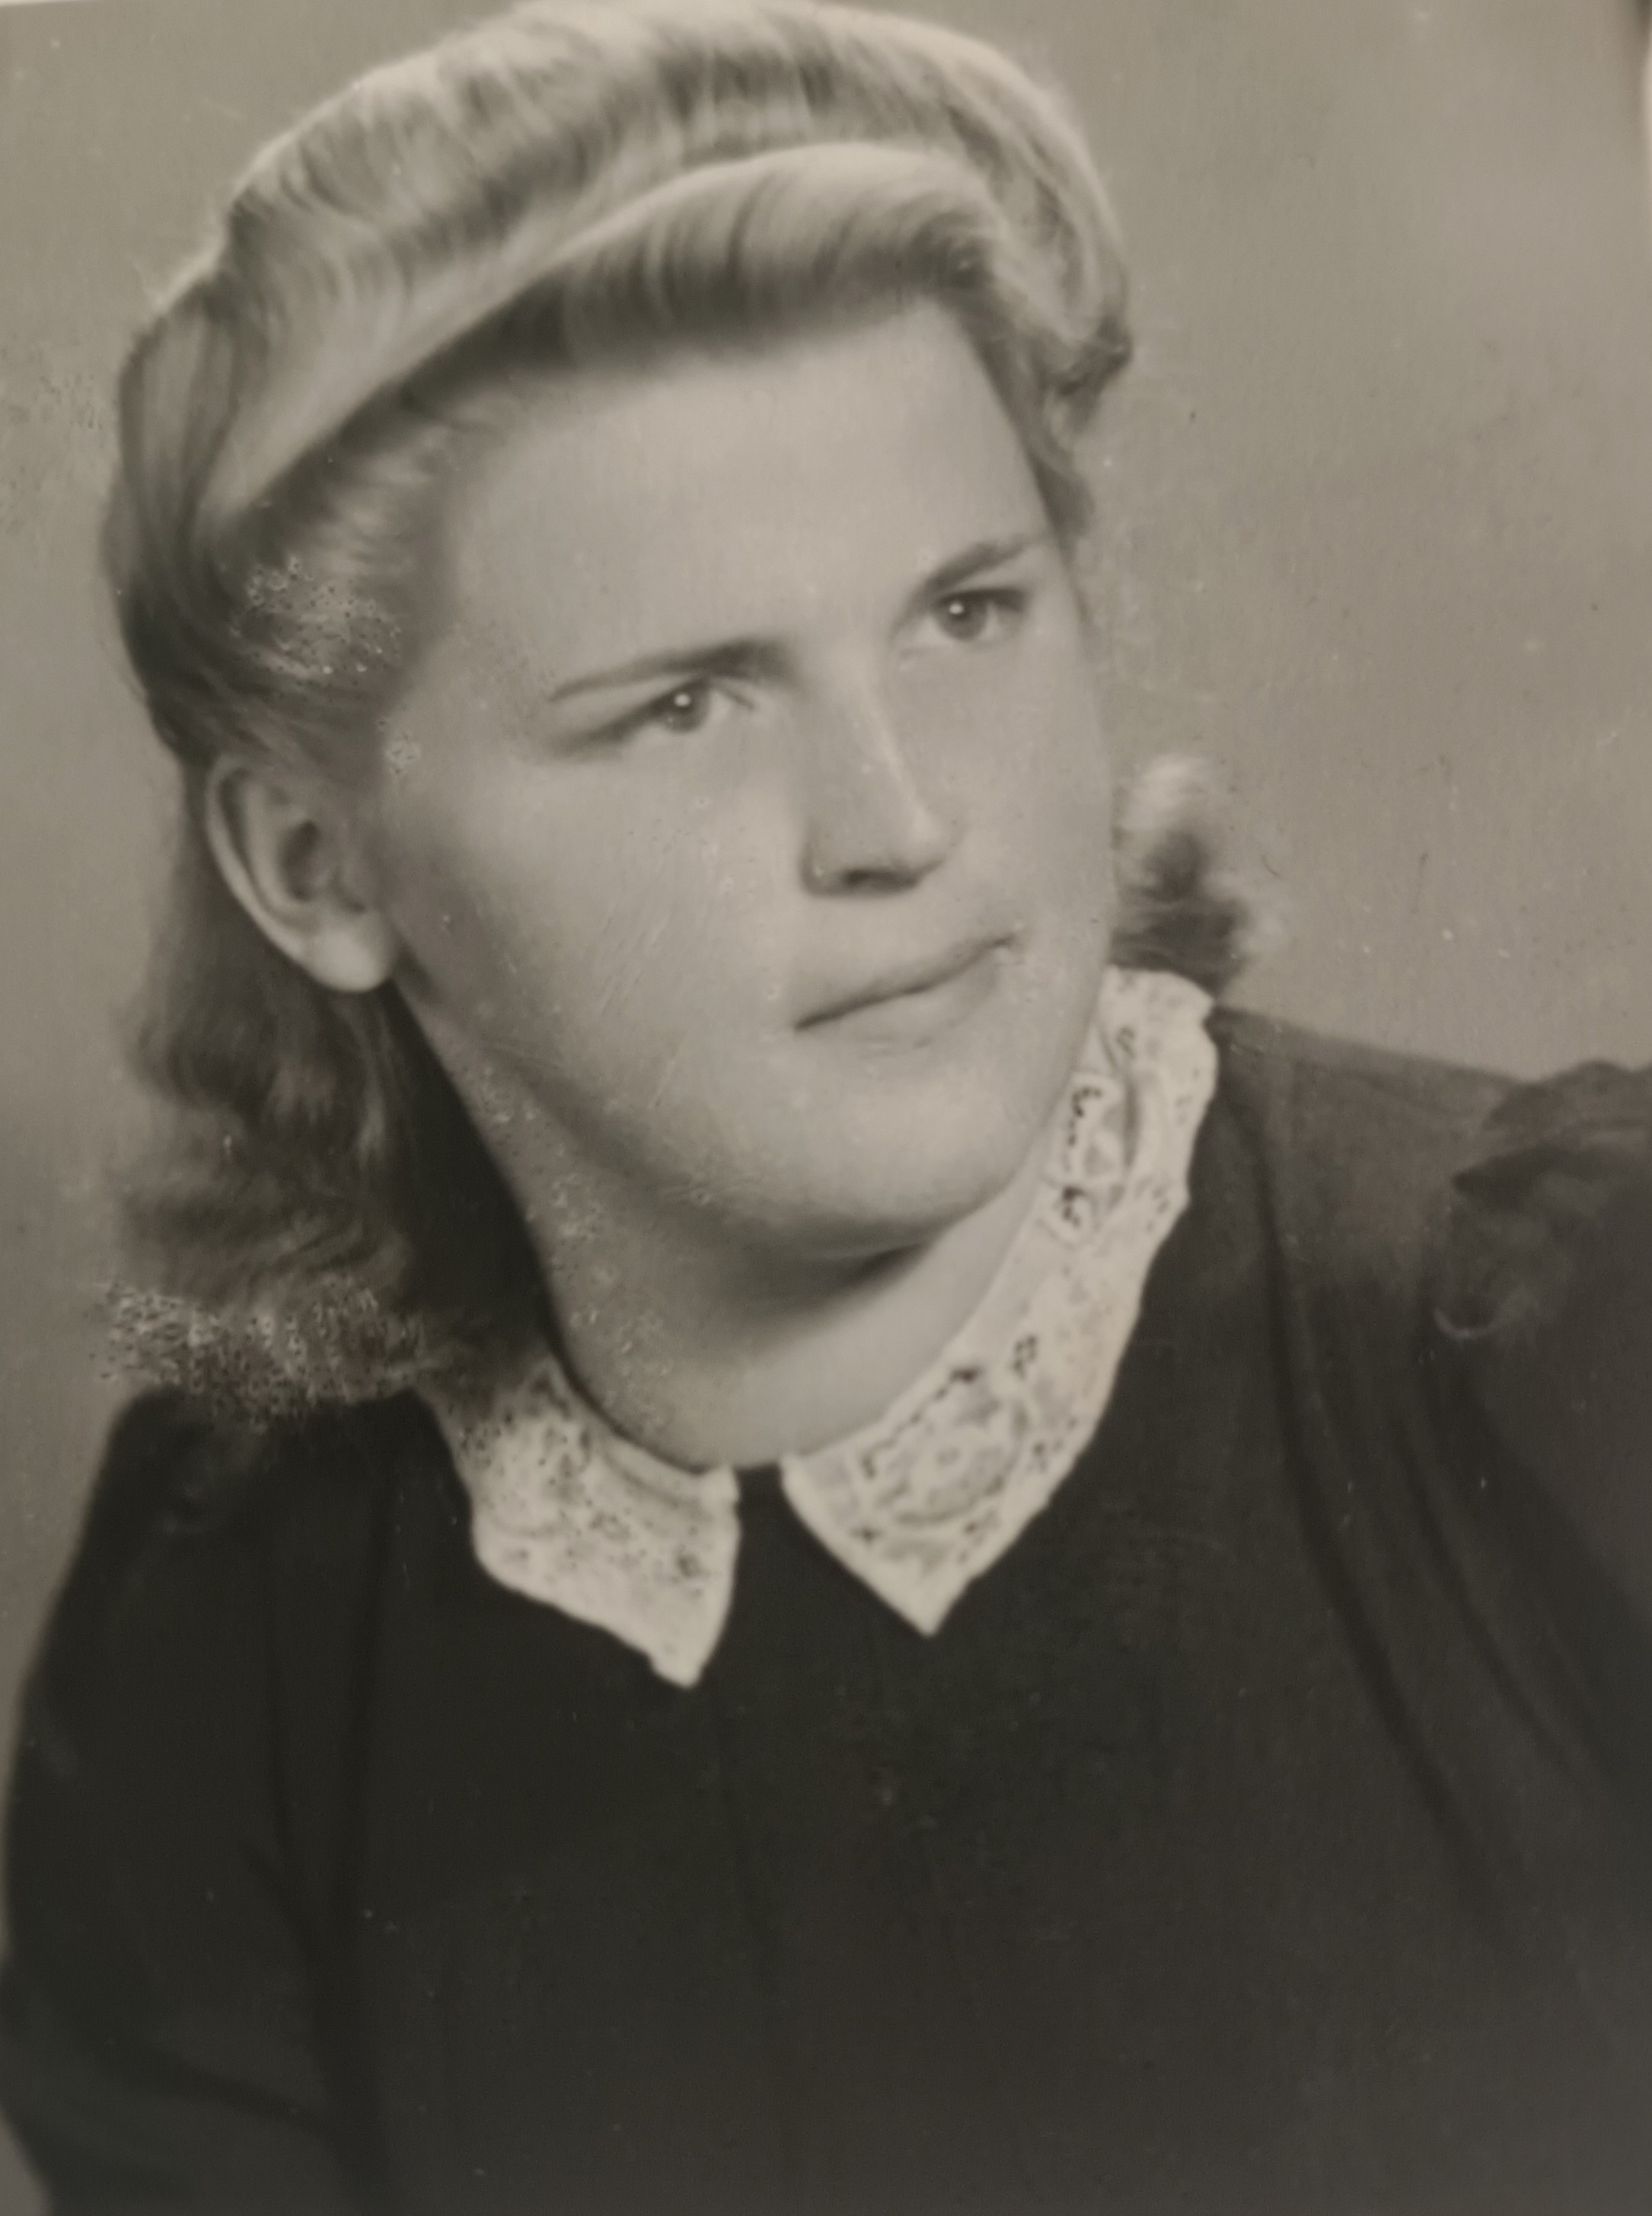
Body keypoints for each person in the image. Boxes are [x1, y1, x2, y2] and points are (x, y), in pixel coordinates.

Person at [2, 2, 1649, 2209]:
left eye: (966, 611)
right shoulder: (235, 1617)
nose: (898, 823)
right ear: (317, 867)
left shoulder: (1561, 1343)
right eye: (686, 704)